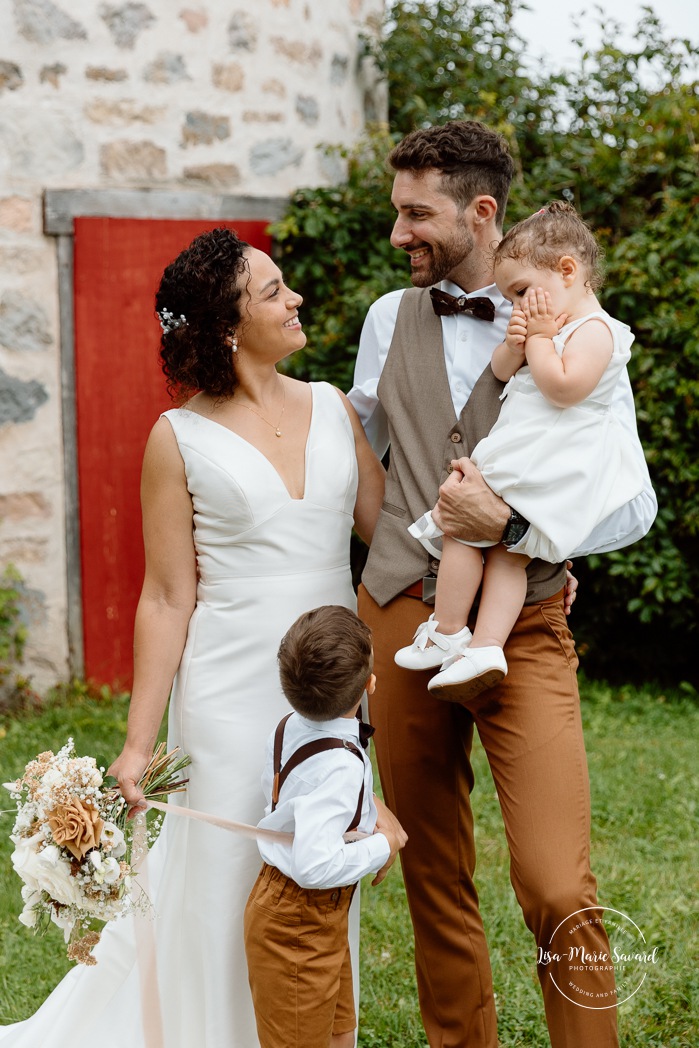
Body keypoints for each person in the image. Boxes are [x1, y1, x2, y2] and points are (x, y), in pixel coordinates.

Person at [0, 228, 385, 1047]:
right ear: (225, 328)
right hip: (228, 688)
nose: (296, 299)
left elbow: (390, 542)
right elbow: (168, 597)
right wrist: (138, 746)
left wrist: (522, 557)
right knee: (224, 876)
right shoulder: (175, 439)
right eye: (274, 291)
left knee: (318, 855)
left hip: (329, 685)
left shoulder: (332, 406)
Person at [348, 121, 657, 1048]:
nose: (399, 233)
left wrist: (517, 539)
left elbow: (615, 491)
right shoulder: (383, 320)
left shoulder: (580, 327)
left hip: (523, 621)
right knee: (430, 868)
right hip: (402, 617)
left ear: (479, 211)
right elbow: (364, 472)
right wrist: (387, 571)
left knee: (559, 881)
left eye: (416, 214)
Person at [394, 201, 646, 702]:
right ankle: (471, 640)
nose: (515, 306)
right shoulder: (548, 328)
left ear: (567, 271)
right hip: (527, 452)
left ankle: (466, 637)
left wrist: (540, 341)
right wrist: (515, 345)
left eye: (521, 292)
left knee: (485, 541)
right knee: (489, 545)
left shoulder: (597, 332)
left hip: (549, 462)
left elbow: (563, 387)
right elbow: (503, 373)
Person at [244, 605, 407, 1048]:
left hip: (310, 913)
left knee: (339, 1031)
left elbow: (285, 800)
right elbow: (314, 866)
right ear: (370, 684)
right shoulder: (341, 766)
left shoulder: (288, 727)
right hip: (298, 921)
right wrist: (383, 844)